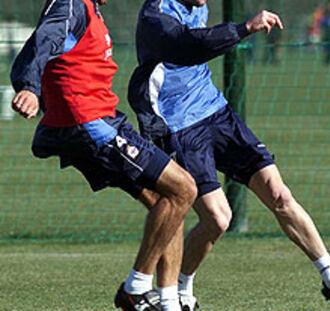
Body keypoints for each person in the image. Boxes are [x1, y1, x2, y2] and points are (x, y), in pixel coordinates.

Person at [128, 0, 330, 310]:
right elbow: (191, 45)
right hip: (177, 125)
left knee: (278, 193)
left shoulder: (197, 5)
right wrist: (245, 28)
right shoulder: (157, 15)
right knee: (218, 219)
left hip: (216, 111)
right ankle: (181, 290)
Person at [10, 1, 197, 310]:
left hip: (97, 121)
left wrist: (32, 87)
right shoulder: (70, 4)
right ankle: (134, 289)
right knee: (184, 188)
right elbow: (44, 40)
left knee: (168, 203)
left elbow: (26, 57)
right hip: (91, 124)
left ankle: (168, 302)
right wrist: (30, 88)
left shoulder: (87, 8)